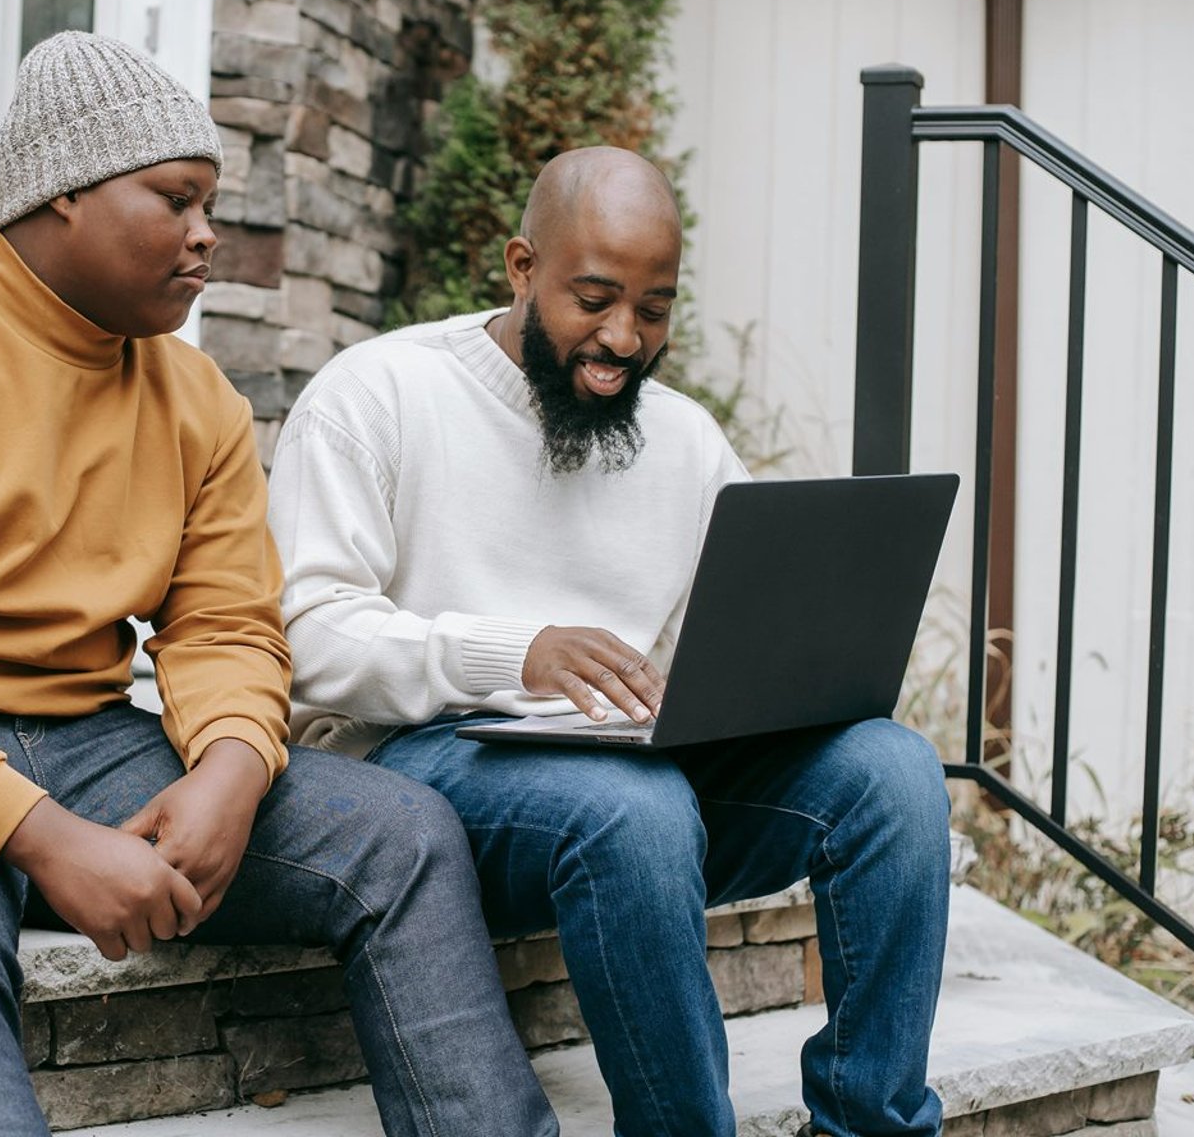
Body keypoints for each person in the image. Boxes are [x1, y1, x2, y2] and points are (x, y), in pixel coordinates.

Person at [0, 31, 558, 1137]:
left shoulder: (197, 397)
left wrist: (230, 765)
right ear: (64, 193)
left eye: (211, 201)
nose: (207, 232)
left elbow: (225, 620)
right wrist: (39, 835)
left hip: (93, 736)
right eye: (176, 198)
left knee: (403, 833)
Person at [267, 146, 952, 1137]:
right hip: (420, 764)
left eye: (655, 309)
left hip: (622, 771)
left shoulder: (683, 439)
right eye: (594, 298)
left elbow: (749, 626)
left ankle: (872, 1125)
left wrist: (769, 685)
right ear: (520, 267)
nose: (623, 337)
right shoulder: (378, 393)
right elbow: (307, 634)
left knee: (892, 771)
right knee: (631, 808)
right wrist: (516, 651)